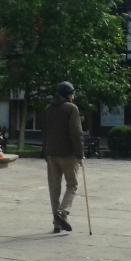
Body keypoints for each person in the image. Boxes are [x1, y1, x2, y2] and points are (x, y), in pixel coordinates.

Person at [41, 81, 84, 234]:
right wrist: (80, 154)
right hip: (68, 153)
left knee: (54, 188)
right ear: (68, 95)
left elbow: (44, 131)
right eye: (73, 94)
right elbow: (76, 132)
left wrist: (45, 151)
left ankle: (56, 223)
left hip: (51, 153)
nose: (74, 97)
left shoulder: (48, 109)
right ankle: (62, 212)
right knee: (72, 185)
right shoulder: (71, 109)